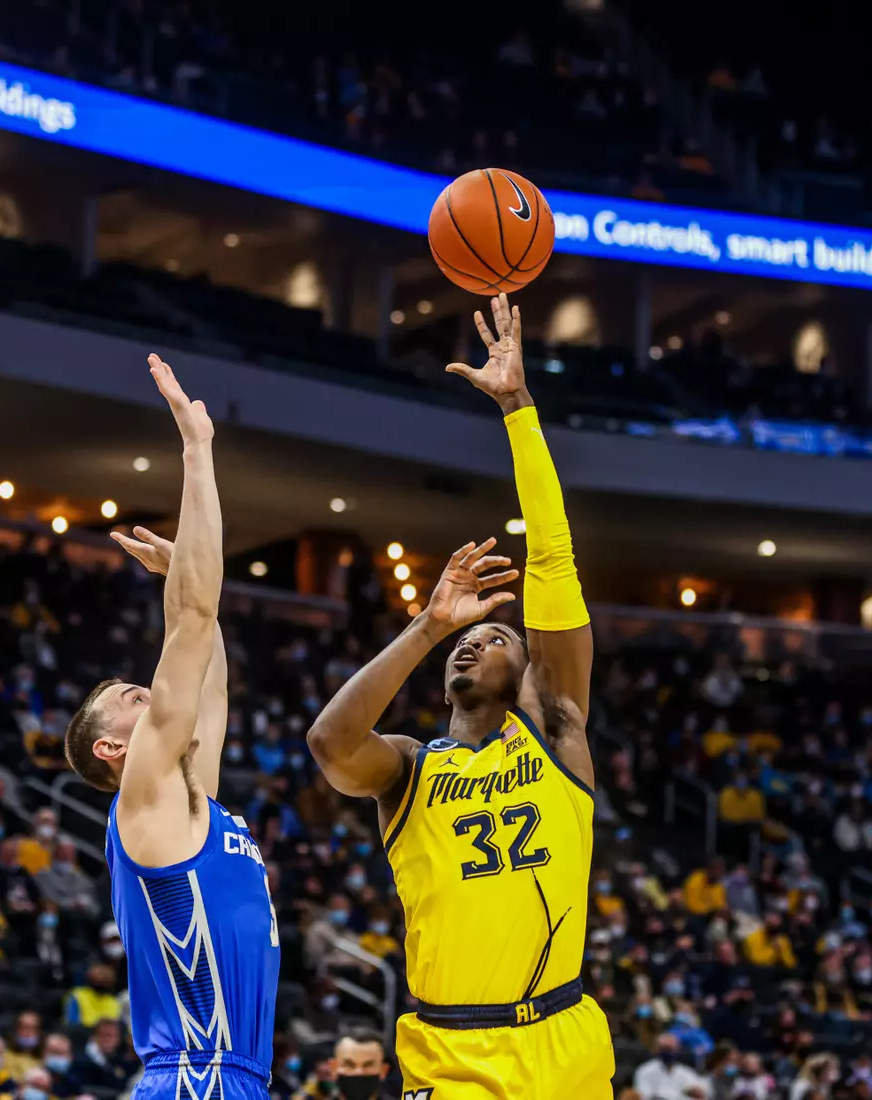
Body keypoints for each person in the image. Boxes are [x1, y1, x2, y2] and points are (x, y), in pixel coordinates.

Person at [308, 294, 613, 1098]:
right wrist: (427, 625)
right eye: (468, 641)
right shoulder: (409, 769)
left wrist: (517, 408)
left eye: (498, 637)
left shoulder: (556, 729)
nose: (481, 639)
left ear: (527, 672)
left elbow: (551, 558)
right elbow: (330, 745)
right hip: (451, 1050)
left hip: (562, 1037)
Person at [61, 357, 279, 1100]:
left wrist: (176, 578)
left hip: (232, 1077)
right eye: (132, 695)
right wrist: (196, 449)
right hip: (196, 1077)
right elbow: (193, 617)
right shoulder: (144, 797)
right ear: (111, 749)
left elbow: (208, 678)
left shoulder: (192, 802)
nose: (150, 691)